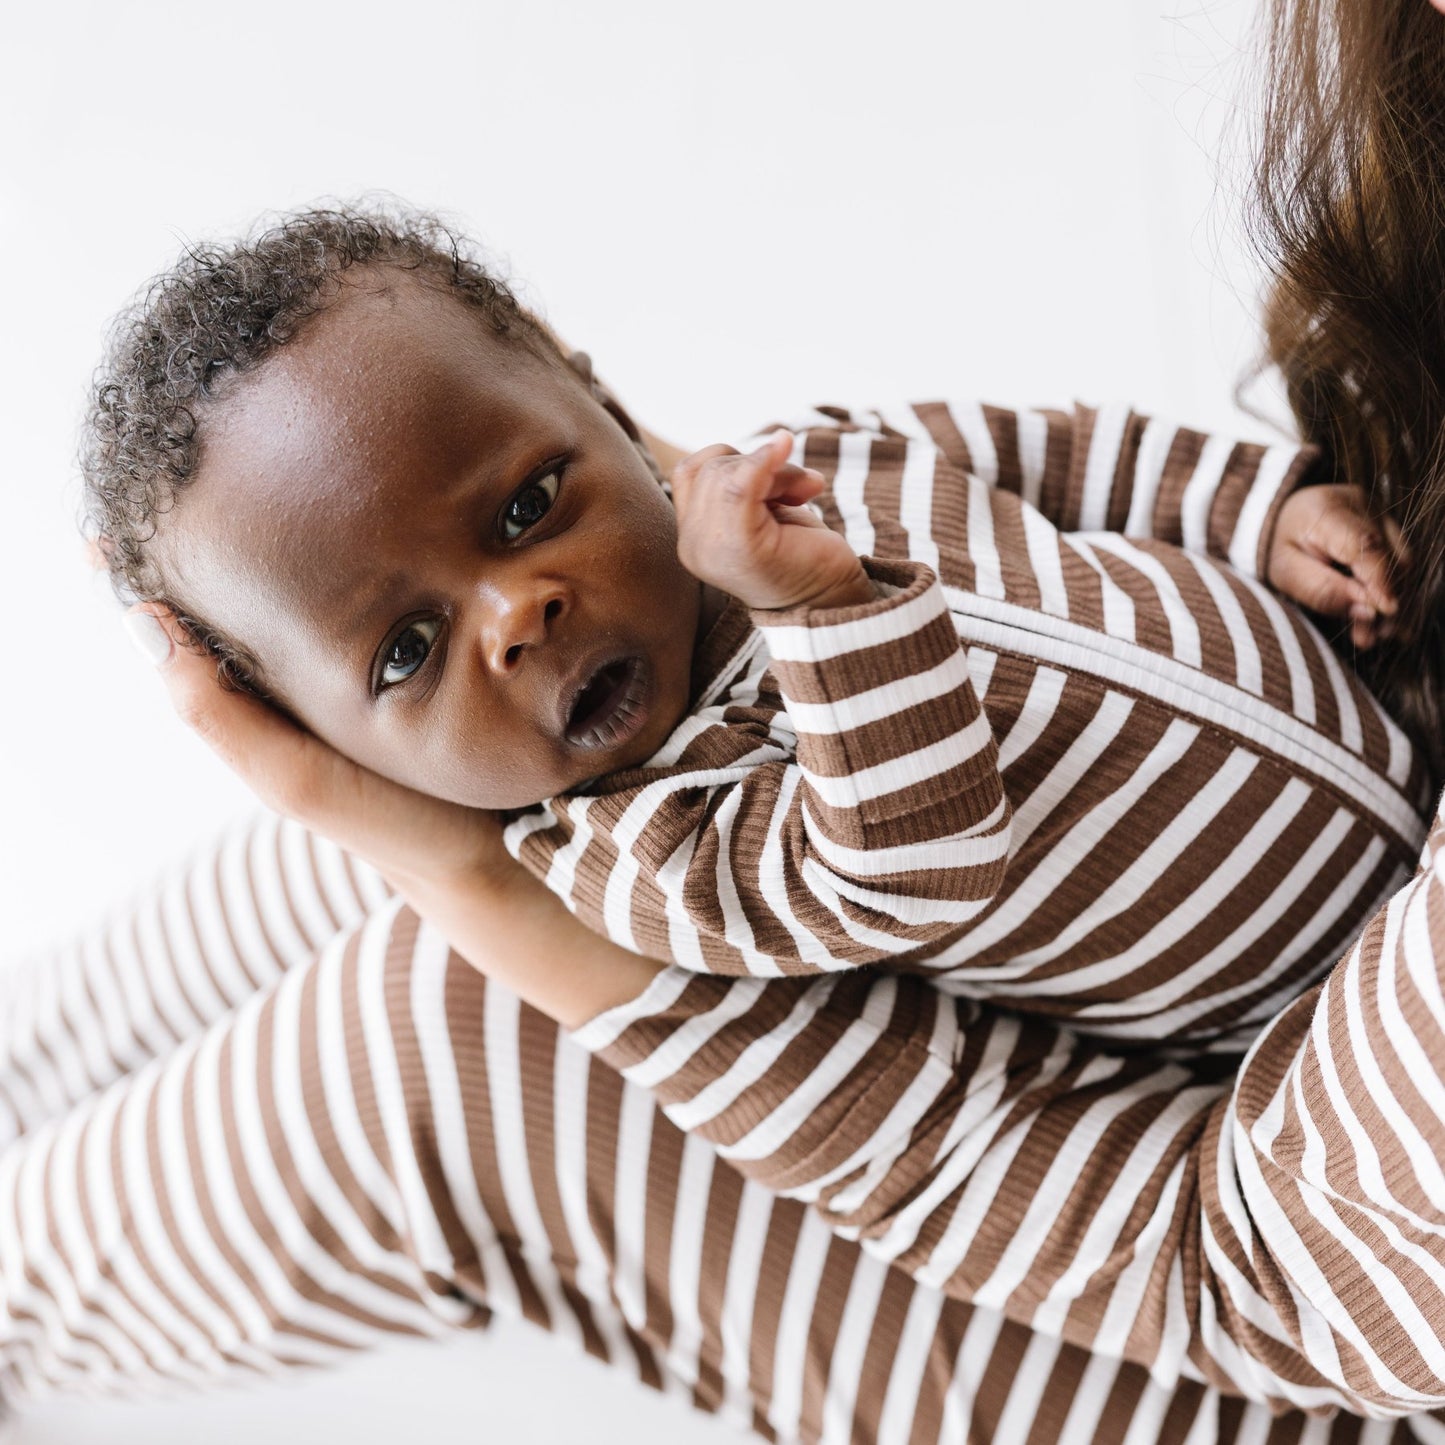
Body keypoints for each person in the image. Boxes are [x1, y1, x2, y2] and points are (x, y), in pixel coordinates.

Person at [88, 208, 1422, 1058]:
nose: (518, 612)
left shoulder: (802, 468)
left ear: (590, 390)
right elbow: (912, 863)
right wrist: (810, 612)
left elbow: (1050, 460)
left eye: (528, 504)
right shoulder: (639, 845)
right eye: (403, 652)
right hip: (1309, 1005)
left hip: (1399, 730)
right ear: (335, 752)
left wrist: (1249, 505)